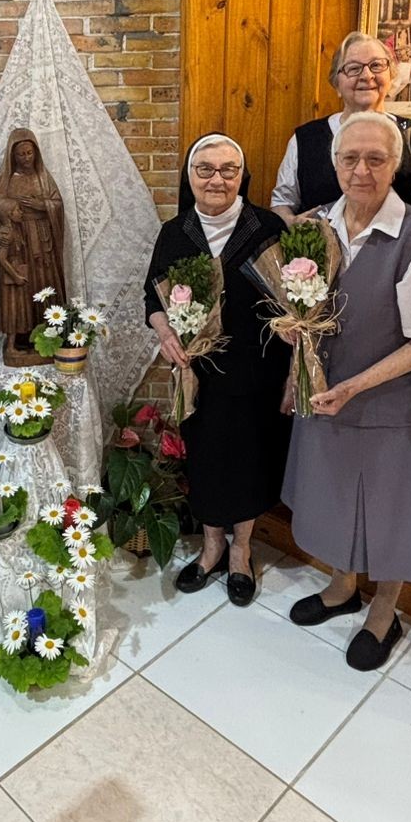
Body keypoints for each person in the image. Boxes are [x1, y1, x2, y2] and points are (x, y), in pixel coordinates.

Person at [282, 114, 411, 669]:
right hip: (326, 397)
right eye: (350, 158)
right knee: (336, 498)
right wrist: (293, 341)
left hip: (391, 405)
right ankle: (342, 587)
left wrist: (355, 386)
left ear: (395, 165)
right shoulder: (313, 227)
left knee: (391, 511)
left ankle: (385, 610)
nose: (361, 170)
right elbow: (300, 309)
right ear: (334, 163)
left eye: (376, 159)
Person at [145, 134, 290, 606]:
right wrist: (164, 331)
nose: (216, 179)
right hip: (199, 372)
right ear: (190, 176)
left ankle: (241, 550)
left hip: (258, 369)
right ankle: (211, 547)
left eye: (228, 170)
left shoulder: (266, 227)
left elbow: (293, 294)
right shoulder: (176, 232)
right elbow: (152, 296)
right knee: (205, 458)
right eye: (205, 169)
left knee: (251, 458)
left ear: (242, 176)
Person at [270, 33, 411, 223]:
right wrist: (291, 222)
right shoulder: (306, 140)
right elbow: (282, 203)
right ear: (336, 84)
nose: (367, 76)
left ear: (391, 76)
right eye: (353, 68)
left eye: (376, 65)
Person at [0, 128, 67, 356]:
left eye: (29, 153)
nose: (26, 158)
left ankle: (48, 336)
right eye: (21, 154)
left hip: (43, 243)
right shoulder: (6, 181)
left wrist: (42, 205)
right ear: (12, 156)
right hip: (18, 244)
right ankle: (22, 338)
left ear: (36, 153)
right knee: (22, 291)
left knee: (45, 285)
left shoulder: (43, 178)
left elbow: (58, 204)